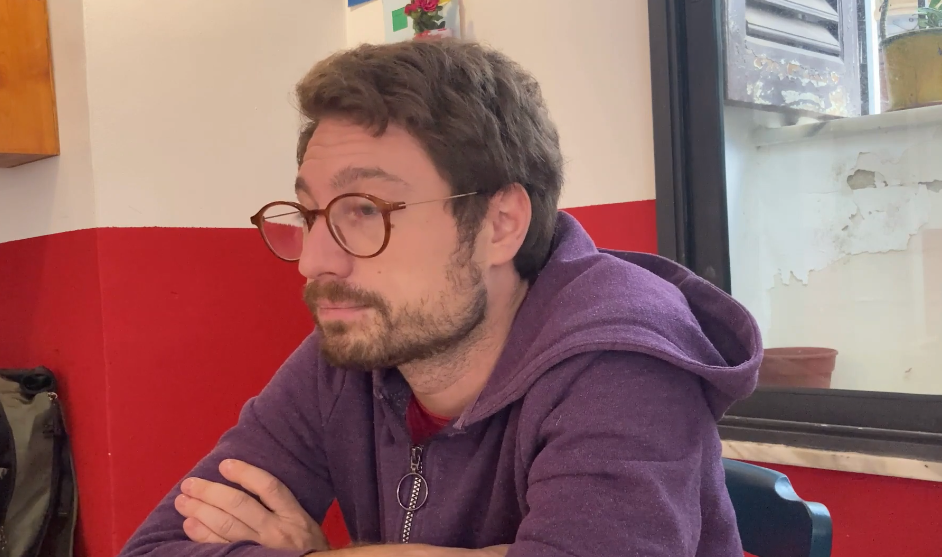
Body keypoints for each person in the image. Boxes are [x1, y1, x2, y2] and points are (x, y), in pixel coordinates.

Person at [118, 38, 761, 557]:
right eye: (310, 214)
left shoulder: (623, 359)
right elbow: (156, 548)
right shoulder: (353, 350)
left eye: (364, 209)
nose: (314, 261)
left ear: (500, 224)